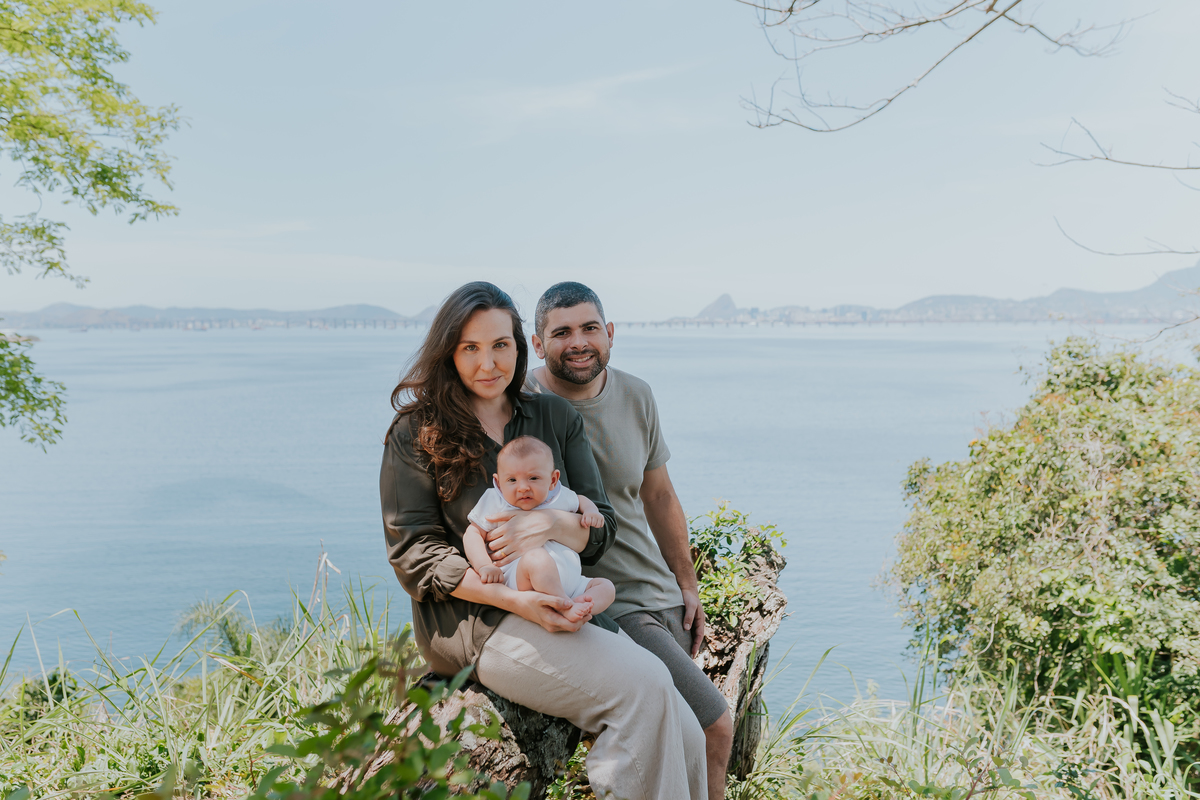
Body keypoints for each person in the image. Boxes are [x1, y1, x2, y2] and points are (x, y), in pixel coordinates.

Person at [379, 281, 705, 800]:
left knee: (690, 734)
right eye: (470, 348)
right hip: (477, 621)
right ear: (449, 353)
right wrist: (516, 601)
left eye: (500, 345)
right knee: (643, 688)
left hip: (562, 597)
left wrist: (551, 524)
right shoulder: (415, 432)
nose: (488, 363)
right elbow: (414, 555)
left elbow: (602, 529)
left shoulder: (554, 416)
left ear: (519, 346)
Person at [506, 281, 734, 799]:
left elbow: (659, 495)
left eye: (590, 328)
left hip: (659, 595)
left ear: (609, 333)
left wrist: (687, 583)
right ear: (537, 344)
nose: (578, 342)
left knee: (680, 743)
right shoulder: (526, 408)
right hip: (608, 603)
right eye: (561, 333)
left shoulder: (636, 394)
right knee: (714, 727)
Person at [461, 434, 615, 622]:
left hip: (574, 583)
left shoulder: (558, 496)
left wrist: (591, 511)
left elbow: (580, 499)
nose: (523, 487)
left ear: (553, 480)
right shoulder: (495, 500)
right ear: (499, 483)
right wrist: (484, 565)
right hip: (524, 578)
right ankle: (564, 605)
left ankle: (579, 605)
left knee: (606, 587)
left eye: (533, 478)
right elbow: (473, 533)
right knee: (537, 558)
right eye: (512, 480)